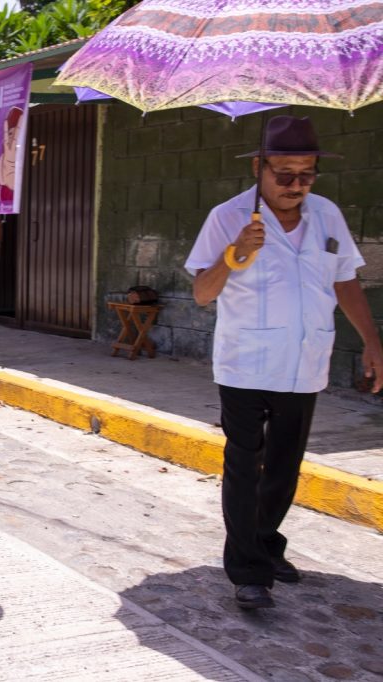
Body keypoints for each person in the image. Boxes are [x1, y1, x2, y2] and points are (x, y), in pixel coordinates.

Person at [185, 116, 383, 611]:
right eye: (285, 174)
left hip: (305, 360)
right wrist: (234, 254)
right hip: (245, 363)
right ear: (259, 167)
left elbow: (345, 282)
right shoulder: (229, 217)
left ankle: (267, 545)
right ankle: (249, 570)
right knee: (245, 466)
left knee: (285, 468)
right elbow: (202, 294)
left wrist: (373, 342)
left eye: (307, 174)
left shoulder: (328, 216)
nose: (296, 185)